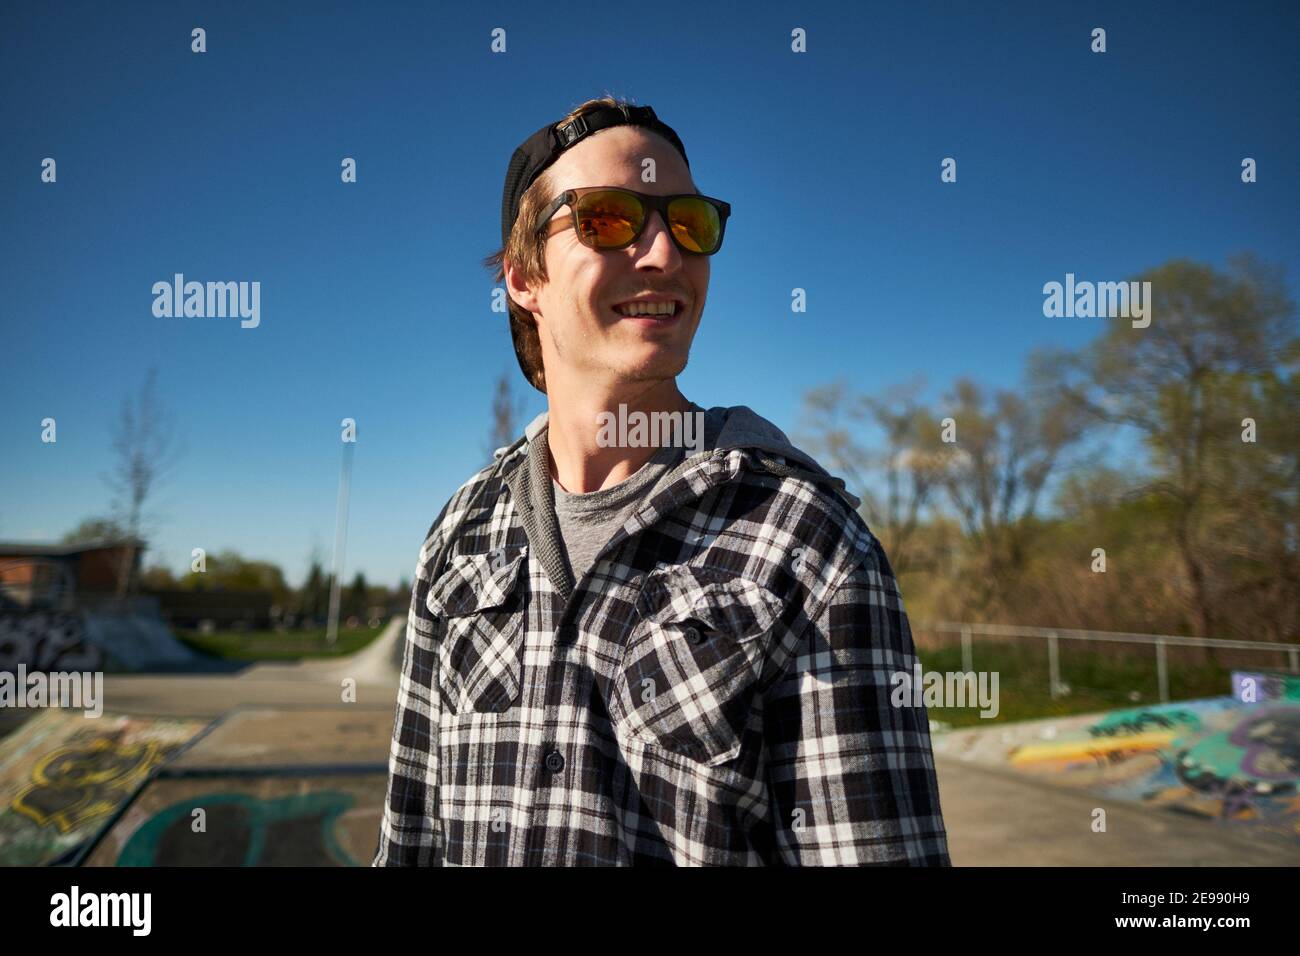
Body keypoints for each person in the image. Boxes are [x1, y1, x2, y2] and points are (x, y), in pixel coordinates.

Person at [373, 96, 950, 866]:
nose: (664, 254)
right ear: (522, 277)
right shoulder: (460, 537)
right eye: (608, 218)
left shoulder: (806, 542)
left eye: (689, 223)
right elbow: (408, 842)